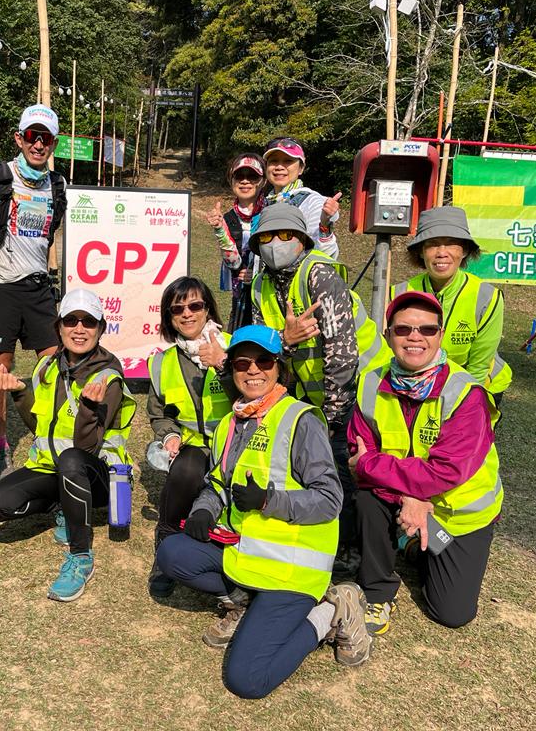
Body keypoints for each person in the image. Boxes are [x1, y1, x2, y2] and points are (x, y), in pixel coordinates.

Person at [155, 325, 372, 699]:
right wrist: (204, 510)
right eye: (242, 363)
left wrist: (269, 501)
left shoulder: (300, 420)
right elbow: (219, 483)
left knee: (246, 680)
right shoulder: (230, 422)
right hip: (247, 553)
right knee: (172, 552)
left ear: (279, 368)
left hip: (292, 571)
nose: (253, 370)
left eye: (264, 361)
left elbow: (329, 500)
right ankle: (247, 602)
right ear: (232, 370)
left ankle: (332, 611)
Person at [348, 290, 503, 634]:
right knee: (367, 500)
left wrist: (375, 468)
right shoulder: (370, 382)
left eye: (427, 329)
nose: (415, 337)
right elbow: (357, 448)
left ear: (441, 335)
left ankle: (415, 545)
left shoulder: (466, 393)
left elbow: (445, 472)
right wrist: (408, 496)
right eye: (403, 329)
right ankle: (377, 592)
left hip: (455, 514)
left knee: (451, 613)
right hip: (398, 498)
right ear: (388, 335)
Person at [249, 202, 390, 571]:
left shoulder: (320, 275)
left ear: (302, 239)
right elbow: (267, 351)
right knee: (311, 463)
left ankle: (351, 549)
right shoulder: (260, 285)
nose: (275, 243)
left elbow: (343, 354)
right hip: (312, 393)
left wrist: (330, 418)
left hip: (362, 387)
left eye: (285, 235)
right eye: (266, 237)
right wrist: (286, 341)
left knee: (342, 465)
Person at [0, 289, 136, 602]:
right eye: (71, 320)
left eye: (88, 322)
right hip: (54, 468)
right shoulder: (46, 367)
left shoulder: (108, 377)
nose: (79, 329)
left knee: (72, 460)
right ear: (59, 327)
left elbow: (86, 449)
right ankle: (64, 506)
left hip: (97, 478)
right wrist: (20, 393)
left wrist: (89, 409)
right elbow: (40, 428)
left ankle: (81, 556)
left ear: (100, 329)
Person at [0, 104, 68, 479]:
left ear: (54, 143)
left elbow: (50, 235)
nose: (38, 144)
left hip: (38, 288)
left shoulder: (58, 185)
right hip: (0, 287)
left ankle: (50, 435)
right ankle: (0, 448)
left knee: (55, 365)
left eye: (46, 138)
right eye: (32, 136)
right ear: (19, 138)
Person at [145, 277, 231, 598]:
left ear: (208, 309)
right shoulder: (162, 362)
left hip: (237, 445)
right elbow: (160, 413)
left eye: (195, 305)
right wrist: (169, 435)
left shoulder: (236, 346)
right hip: (194, 448)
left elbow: (256, 394)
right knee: (187, 467)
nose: (187, 314)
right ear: (169, 318)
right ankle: (166, 539)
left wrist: (222, 364)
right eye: (177, 309)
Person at [393, 206, 512, 403]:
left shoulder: (487, 297)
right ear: (421, 252)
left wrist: (464, 406)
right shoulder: (398, 293)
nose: (442, 253)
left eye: (451, 244)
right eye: (432, 244)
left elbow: (479, 367)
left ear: (465, 250)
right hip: (416, 383)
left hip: (475, 383)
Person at [203, 153, 267, 330]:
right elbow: (233, 262)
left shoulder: (273, 212)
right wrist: (220, 230)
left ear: (263, 181)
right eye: (239, 176)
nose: (245, 181)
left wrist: (257, 273)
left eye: (252, 176)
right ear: (231, 180)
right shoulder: (228, 218)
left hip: (269, 296)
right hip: (241, 300)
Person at [263, 137, 341, 260]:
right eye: (273, 161)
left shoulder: (312, 202)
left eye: (288, 161)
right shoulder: (264, 204)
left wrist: (325, 225)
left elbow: (325, 255)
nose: (279, 167)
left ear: (301, 168)